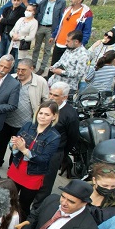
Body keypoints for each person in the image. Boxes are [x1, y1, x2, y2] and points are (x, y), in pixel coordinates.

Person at [6, 100, 60, 218]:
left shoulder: (54, 137)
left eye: (47, 114)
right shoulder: (28, 126)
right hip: (16, 169)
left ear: (54, 116)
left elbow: (44, 159)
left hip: (32, 175)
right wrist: (14, 146)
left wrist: (24, 150)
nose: (42, 117)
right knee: (7, 200)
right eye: (41, 113)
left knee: (23, 206)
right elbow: (14, 148)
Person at [34, 81, 79, 209]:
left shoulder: (70, 114)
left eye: (56, 95)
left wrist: (62, 154)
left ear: (65, 97)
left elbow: (73, 137)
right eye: (50, 94)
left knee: (45, 184)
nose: (51, 97)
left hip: (54, 153)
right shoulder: (45, 106)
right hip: (37, 148)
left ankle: (37, 209)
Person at [50, 0, 92, 68]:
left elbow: (87, 31)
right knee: (54, 64)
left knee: (64, 66)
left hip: (71, 45)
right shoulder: (67, 10)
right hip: (59, 42)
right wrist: (53, 35)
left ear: (80, 0)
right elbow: (60, 24)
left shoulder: (86, 14)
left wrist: (81, 44)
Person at [32, 0, 65, 74]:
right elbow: (38, 12)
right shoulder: (43, 2)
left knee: (47, 49)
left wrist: (56, 30)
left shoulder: (61, 3)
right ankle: (33, 64)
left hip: (51, 28)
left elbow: (61, 16)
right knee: (36, 47)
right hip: (41, 26)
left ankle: (42, 67)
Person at [49, 30, 89, 96]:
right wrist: (54, 67)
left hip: (67, 88)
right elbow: (61, 61)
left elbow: (80, 73)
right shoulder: (69, 49)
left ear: (76, 42)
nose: (66, 43)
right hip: (56, 83)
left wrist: (62, 72)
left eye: (68, 41)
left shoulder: (83, 55)